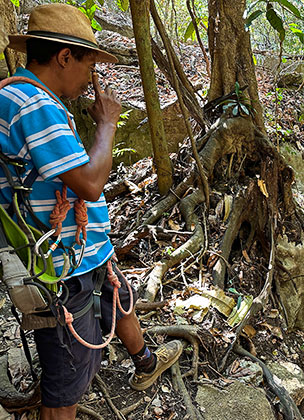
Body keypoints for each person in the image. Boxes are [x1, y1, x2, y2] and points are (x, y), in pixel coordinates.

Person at [1, 5, 182, 419]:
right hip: (62, 269)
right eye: (89, 65)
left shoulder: (28, 97)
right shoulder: (31, 103)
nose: (91, 79)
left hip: (82, 252)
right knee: (66, 385)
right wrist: (107, 125)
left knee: (118, 296)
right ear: (64, 57)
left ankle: (146, 362)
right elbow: (90, 183)